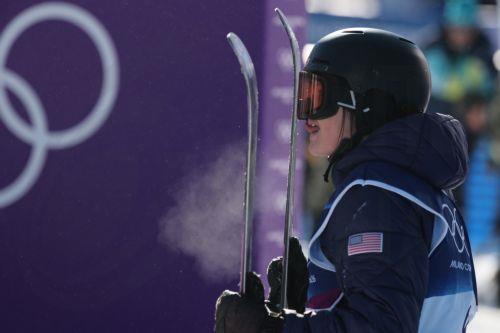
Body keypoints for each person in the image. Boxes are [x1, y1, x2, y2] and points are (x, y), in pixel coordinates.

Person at [215, 28, 477, 333]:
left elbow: (381, 326)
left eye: (319, 96)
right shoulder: (423, 193)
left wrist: (272, 329)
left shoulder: (378, 197)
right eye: (303, 96)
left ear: (367, 105)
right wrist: (314, 302)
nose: (307, 116)